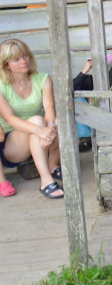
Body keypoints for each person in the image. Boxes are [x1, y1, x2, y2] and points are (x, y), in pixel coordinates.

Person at [0, 39, 64, 199]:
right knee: (37, 121)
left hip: (39, 135)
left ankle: (52, 164)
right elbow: (9, 119)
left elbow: (49, 107)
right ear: (6, 65)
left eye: (25, 56)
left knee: (58, 122)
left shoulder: (42, 78)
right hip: (12, 143)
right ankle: (46, 181)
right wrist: (41, 130)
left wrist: (49, 128)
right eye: (16, 59)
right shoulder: (1, 85)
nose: (23, 61)